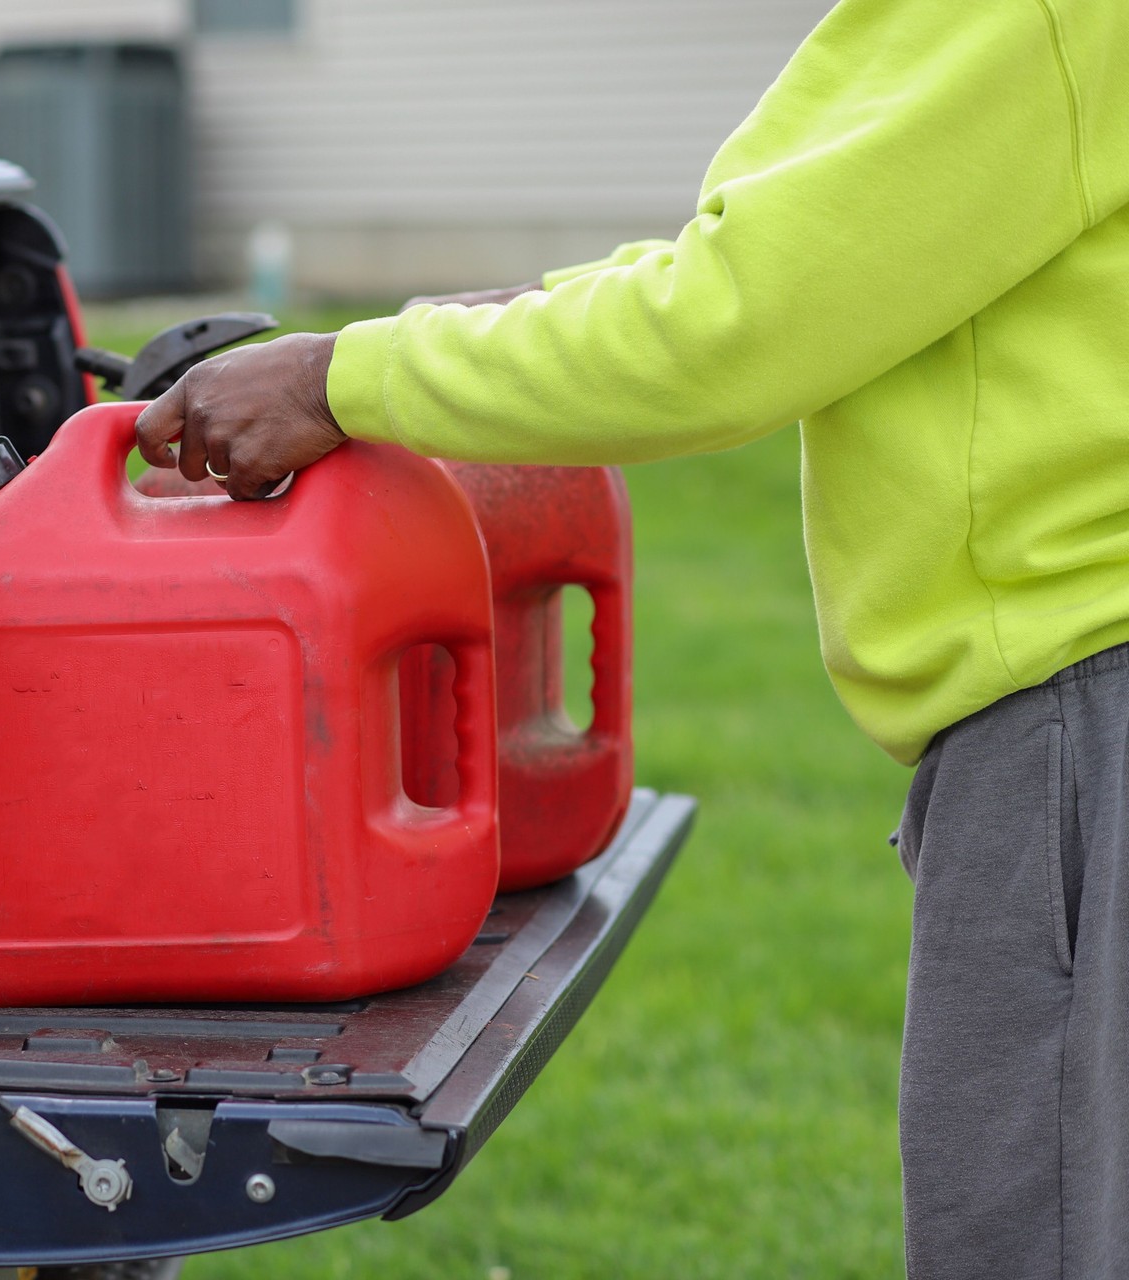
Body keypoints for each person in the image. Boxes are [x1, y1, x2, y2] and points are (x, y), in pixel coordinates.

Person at [133, 1, 1129, 1275]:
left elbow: (734, 325)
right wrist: (472, 330)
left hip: (1084, 707)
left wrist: (333, 376)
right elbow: (793, 269)